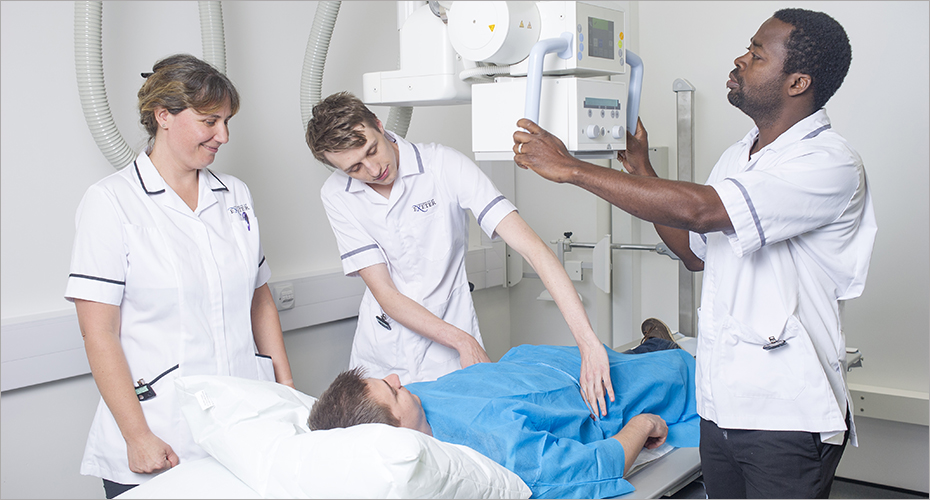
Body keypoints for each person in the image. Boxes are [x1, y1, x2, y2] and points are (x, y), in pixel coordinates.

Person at [511, 8, 876, 499]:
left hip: (786, 414)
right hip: (721, 405)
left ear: (798, 82)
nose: (740, 59)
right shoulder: (740, 154)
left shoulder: (828, 162)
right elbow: (694, 250)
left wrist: (572, 168)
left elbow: (703, 210)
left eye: (756, 54)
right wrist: (641, 168)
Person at [65, 54, 295, 498]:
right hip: (160, 430)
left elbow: (259, 298)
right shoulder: (110, 203)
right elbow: (98, 333)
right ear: (163, 116)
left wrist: (287, 393)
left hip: (245, 424)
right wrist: (137, 437)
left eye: (227, 122)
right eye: (210, 121)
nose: (223, 136)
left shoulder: (236, 195)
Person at [305, 92, 614, 417]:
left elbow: (533, 249)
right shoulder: (337, 195)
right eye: (355, 167)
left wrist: (588, 343)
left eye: (372, 151)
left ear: (380, 126)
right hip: (383, 354)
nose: (373, 169)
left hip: (449, 347)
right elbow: (385, 294)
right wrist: (462, 340)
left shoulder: (442, 165)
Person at [309, 319, 698, 499]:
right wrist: (644, 425)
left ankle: (649, 347)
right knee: (681, 374)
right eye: (392, 393)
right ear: (393, 435)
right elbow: (596, 466)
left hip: (535, 364)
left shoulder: (415, 400)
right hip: (596, 396)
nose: (398, 380)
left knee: (617, 358)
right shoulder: (491, 451)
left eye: (387, 381)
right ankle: (659, 349)